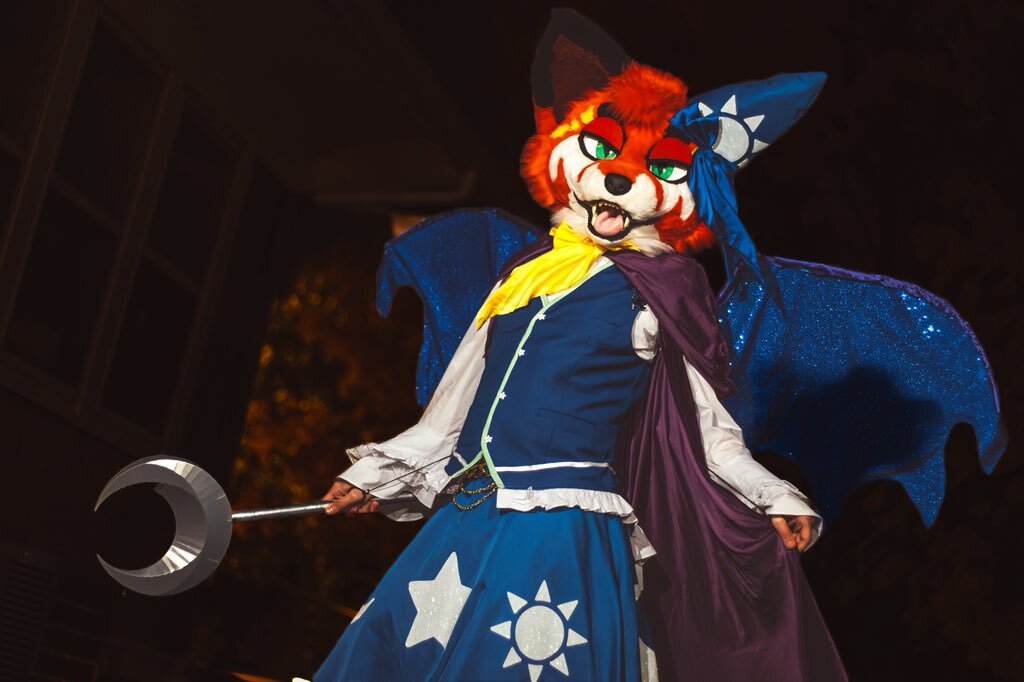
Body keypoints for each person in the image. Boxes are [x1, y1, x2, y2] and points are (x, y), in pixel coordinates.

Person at [315, 10, 847, 681]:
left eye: (654, 166)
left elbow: (707, 433)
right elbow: (451, 412)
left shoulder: (661, 292)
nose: (620, 176)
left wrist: (774, 494)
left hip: (562, 529)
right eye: (604, 150)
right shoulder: (524, 273)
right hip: (471, 518)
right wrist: (375, 478)